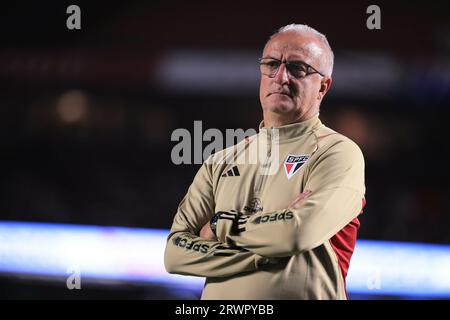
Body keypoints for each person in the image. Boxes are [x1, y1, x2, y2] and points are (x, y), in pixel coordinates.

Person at [164, 24, 366, 299]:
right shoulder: (219, 161)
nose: (281, 76)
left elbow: (297, 234)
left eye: (298, 68)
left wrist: (217, 227)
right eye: (271, 64)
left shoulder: (339, 153)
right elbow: (175, 254)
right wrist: (267, 253)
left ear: (323, 86)